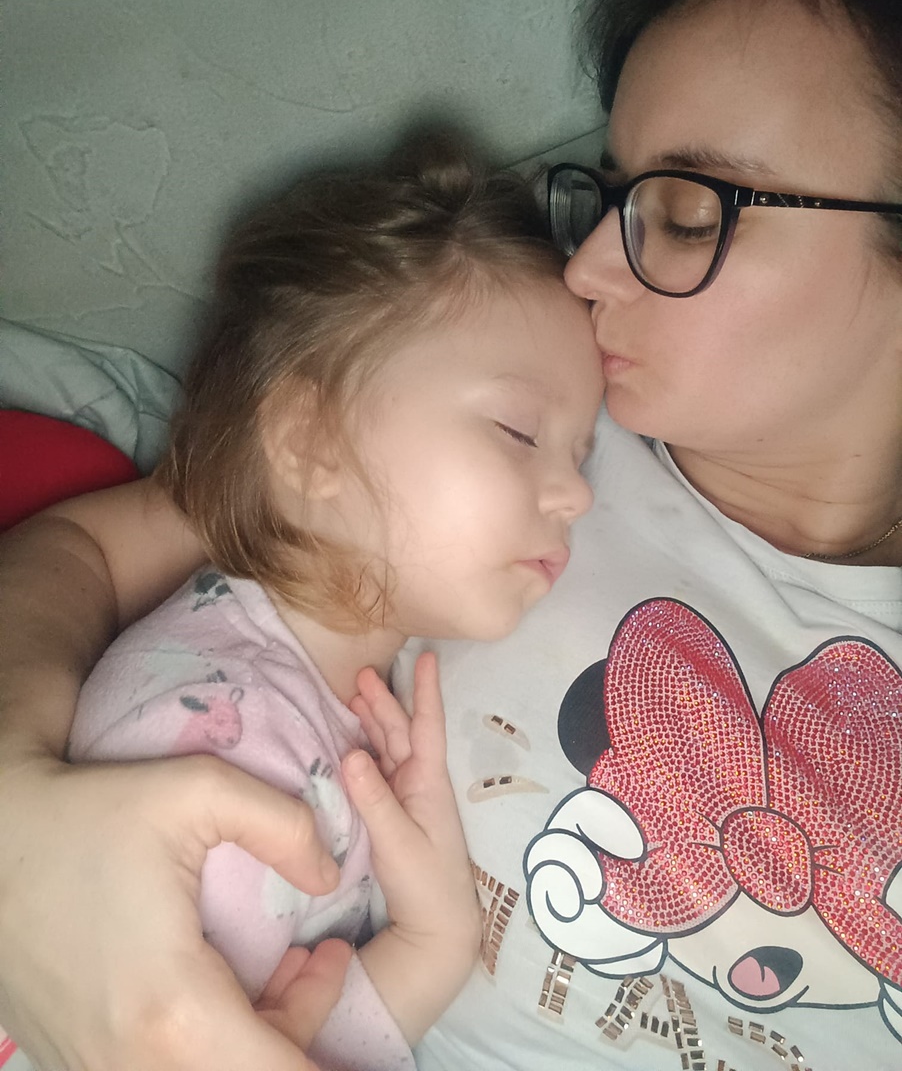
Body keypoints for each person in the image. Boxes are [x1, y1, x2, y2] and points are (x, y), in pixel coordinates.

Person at [1, 0, 902, 1069]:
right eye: (612, 197)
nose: (586, 269)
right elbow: (88, 547)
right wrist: (18, 807)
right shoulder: (509, 390)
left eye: (687, 215)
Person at [1, 136, 605, 1071]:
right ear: (310, 444)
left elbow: (271, 1032)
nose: (577, 495)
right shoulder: (211, 734)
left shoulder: (287, 711)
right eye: (520, 431)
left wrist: (436, 939)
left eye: (582, 451)